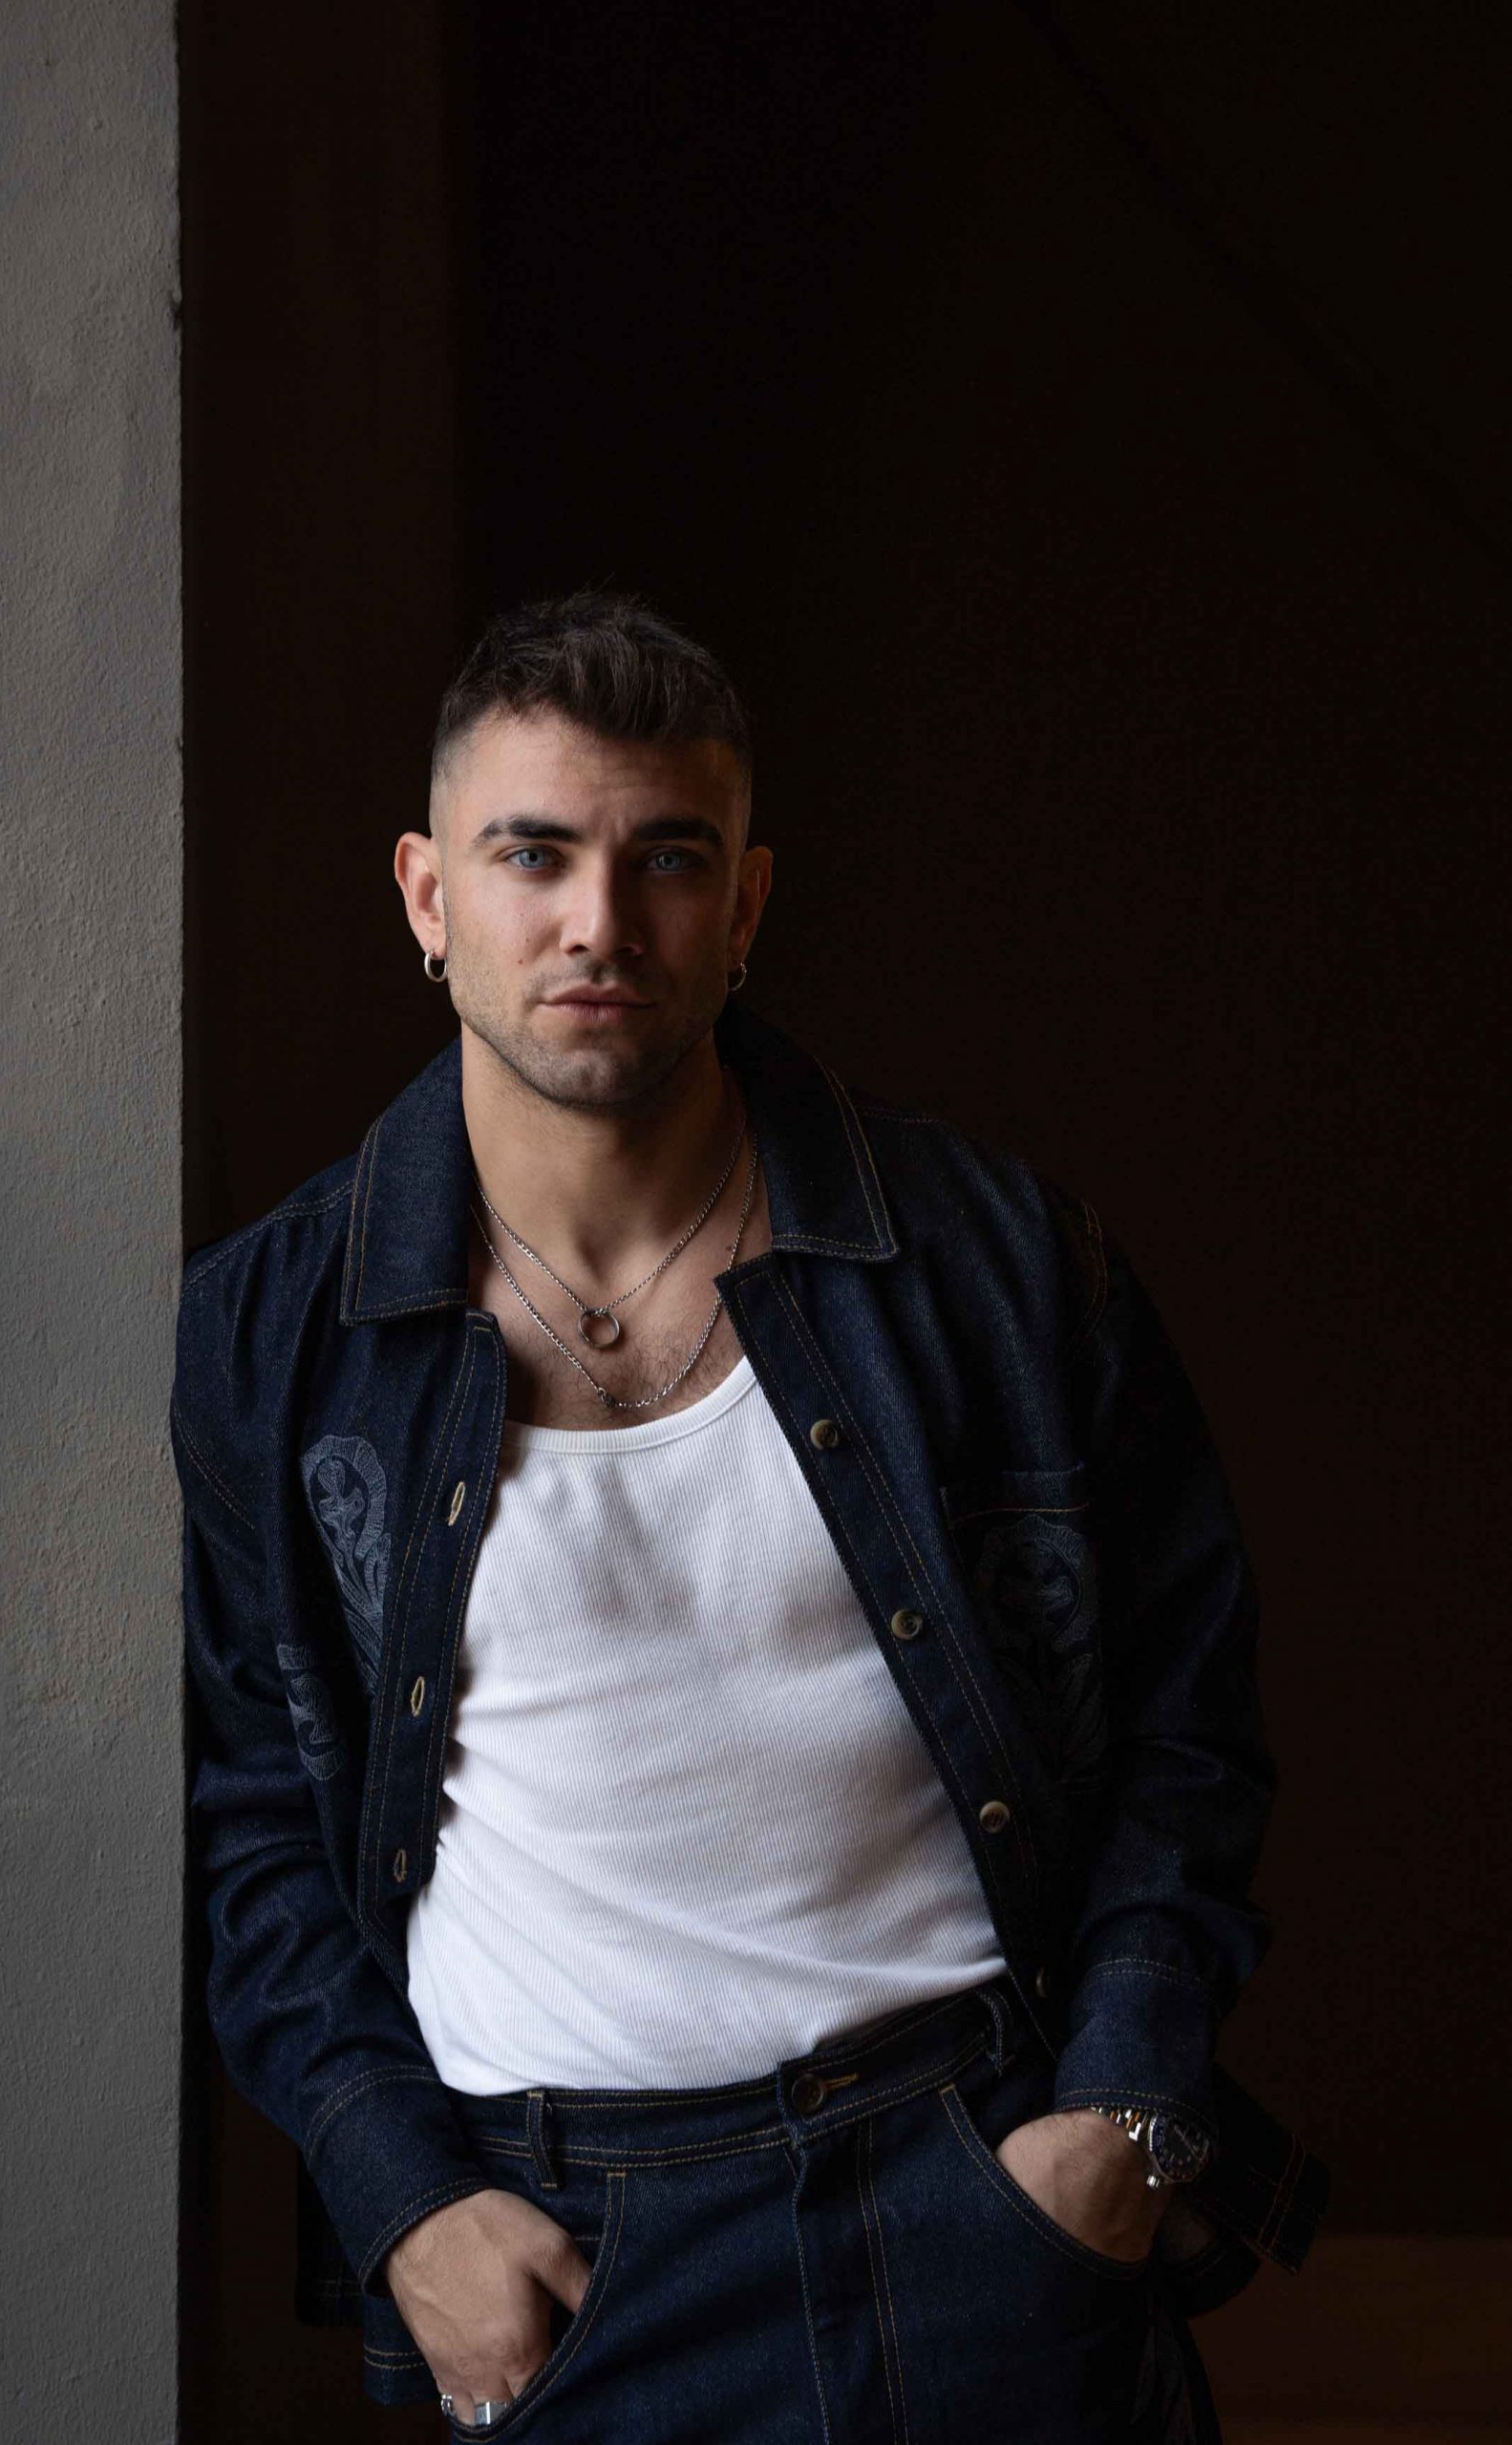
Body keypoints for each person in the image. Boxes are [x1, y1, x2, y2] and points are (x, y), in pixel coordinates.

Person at [170, 589, 1329, 2440]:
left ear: (747, 906)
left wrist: (1116, 2121)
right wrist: (401, 2199)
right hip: (566, 2261)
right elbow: (250, 1828)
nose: (598, 922)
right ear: (426, 895)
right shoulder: (275, 1334)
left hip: (981, 2196)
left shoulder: (995, 1264)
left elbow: (1188, 1727)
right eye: (532, 855)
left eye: (667, 858)